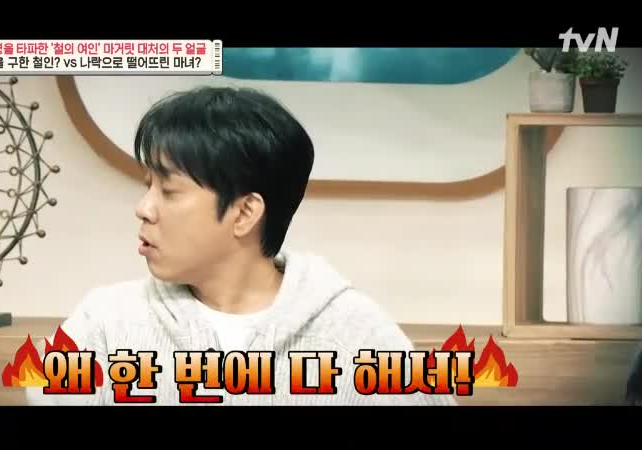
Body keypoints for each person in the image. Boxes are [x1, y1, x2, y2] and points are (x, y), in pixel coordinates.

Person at [25, 85, 457, 406]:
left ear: (245, 212)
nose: (144, 208)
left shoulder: (358, 336)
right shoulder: (104, 324)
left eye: (168, 191)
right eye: (147, 185)